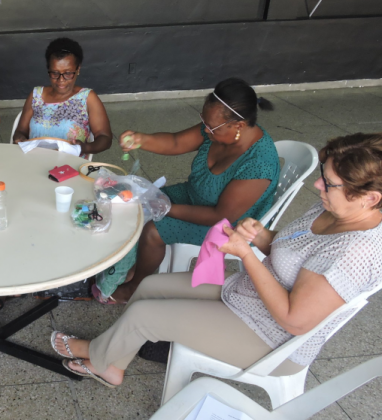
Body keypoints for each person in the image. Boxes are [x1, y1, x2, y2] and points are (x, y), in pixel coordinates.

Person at [50, 132, 382, 389]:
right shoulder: (335, 208)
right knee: (149, 284)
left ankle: (104, 360)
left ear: (370, 198)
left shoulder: (355, 252)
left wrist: (245, 255)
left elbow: (295, 320)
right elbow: (296, 247)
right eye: (323, 174)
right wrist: (263, 237)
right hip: (249, 296)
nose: (317, 184)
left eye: (329, 183)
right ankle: (115, 357)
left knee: (142, 314)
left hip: (270, 338)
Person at [105, 78, 279, 304]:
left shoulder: (258, 163)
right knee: (138, 200)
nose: (206, 130)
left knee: (153, 229)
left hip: (229, 226)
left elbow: (220, 216)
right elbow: (177, 142)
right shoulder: (216, 128)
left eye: (211, 127)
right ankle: (138, 262)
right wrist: (141, 139)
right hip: (198, 196)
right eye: (203, 122)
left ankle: (135, 288)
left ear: (239, 126)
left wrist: (168, 209)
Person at [13, 37, 113, 158]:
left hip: (70, 168)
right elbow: (21, 131)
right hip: (34, 162)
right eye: (55, 73)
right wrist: (20, 138)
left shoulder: (87, 98)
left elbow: (105, 138)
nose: (61, 80)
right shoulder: (36, 95)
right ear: (48, 70)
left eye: (68, 73)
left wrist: (84, 147)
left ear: (78, 69)